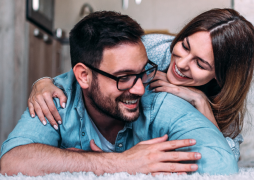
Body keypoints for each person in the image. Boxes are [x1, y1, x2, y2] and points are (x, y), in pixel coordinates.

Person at [0, 11, 238, 176]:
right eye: (123, 77)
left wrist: (199, 100)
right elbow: (11, 161)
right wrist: (121, 163)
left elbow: (222, 163)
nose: (139, 88)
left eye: (143, 71)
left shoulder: (161, 97)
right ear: (83, 76)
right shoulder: (57, 99)